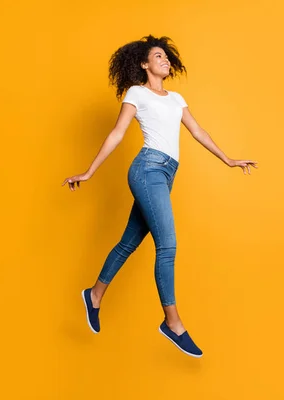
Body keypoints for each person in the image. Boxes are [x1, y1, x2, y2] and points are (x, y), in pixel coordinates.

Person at [62, 35, 258, 358]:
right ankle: (173, 322)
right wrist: (89, 172)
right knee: (167, 245)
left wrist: (229, 159)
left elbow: (198, 132)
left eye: (167, 56)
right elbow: (117, 133)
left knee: (128, 242)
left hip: (166, 175)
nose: (165, 60)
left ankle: (94, 295)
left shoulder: (176, 98)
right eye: (158, 56)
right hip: (147, 170)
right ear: (144, 64)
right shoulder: (137, 93)